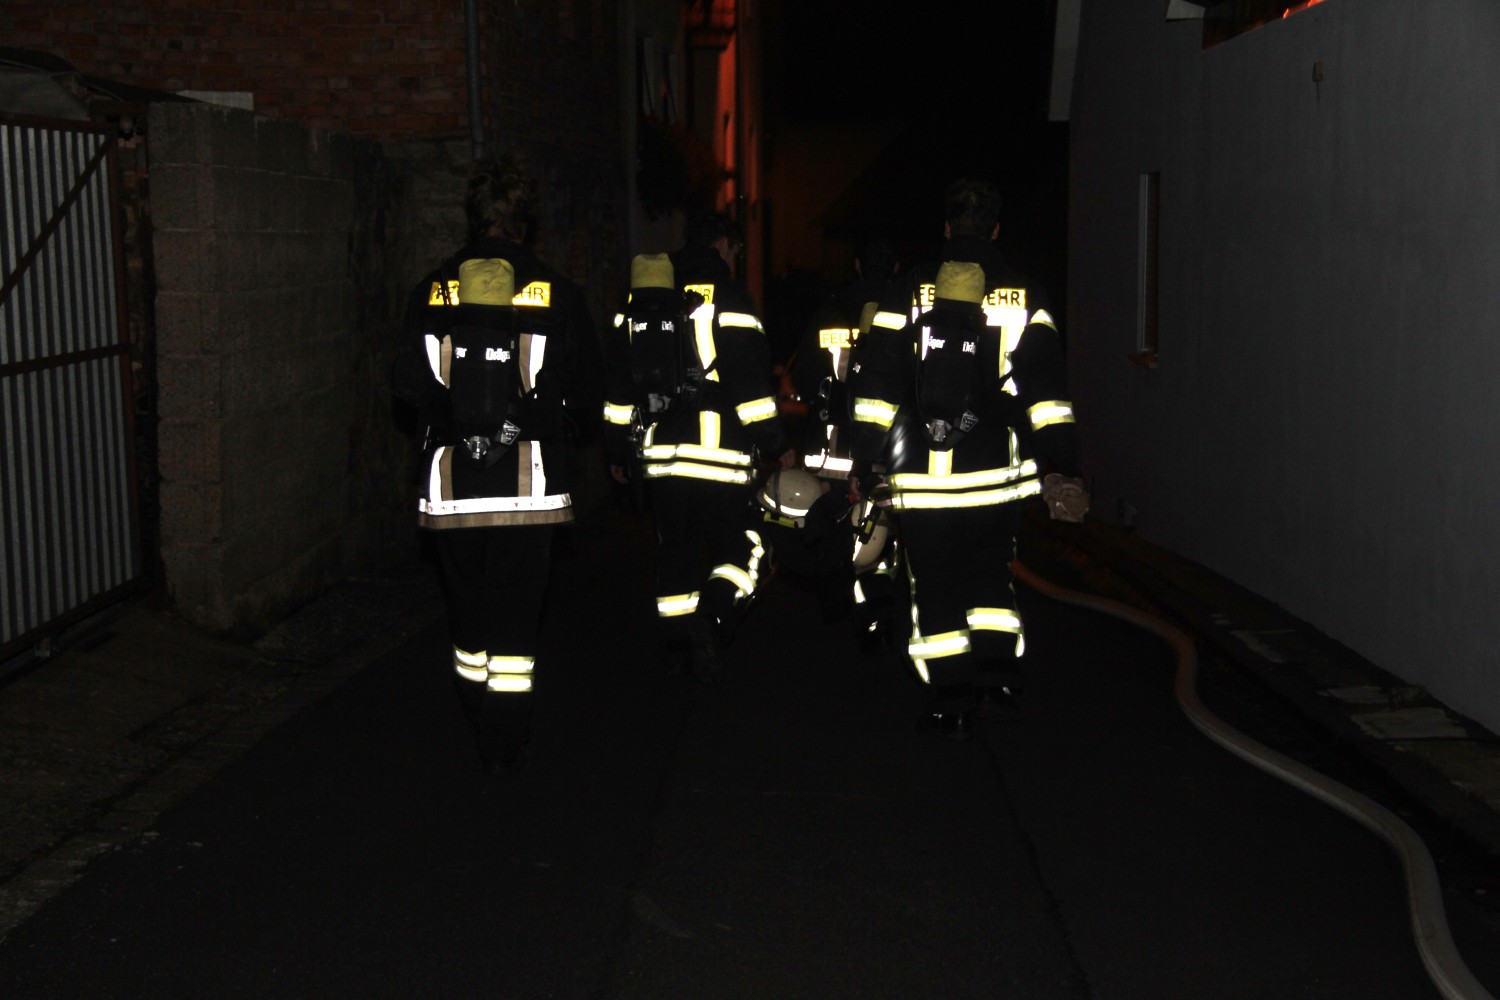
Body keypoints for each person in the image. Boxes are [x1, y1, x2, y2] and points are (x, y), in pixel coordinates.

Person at [848, 178, 1087, 738]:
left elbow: (876, 385)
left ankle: (950, 702)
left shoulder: (907, 291)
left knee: (933, 587)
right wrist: (1062, 463)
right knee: (990, 580)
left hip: (920, 480)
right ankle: (998, 685)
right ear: (996, 230)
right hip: (995, 478)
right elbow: (1047, 393)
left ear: (947, 227)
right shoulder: (1026, 296)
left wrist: (866, 460)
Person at [391, 154, 602, 770]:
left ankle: (473, 707)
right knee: (516, 618)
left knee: (468, 613)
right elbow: (587, 390)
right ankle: (504, 740)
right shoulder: (555, 291)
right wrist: (560, 426)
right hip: (530, 491)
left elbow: (405, 387)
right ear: (525, 222)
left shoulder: (432, 290)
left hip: (451, 488)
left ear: (473, 216)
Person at [602, 213, 786, 679]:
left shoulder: (642, 300)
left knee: (675, 552)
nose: (735, 259)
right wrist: (774, 443)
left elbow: (619, 382)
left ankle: (677, 646)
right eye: (735, 251)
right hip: (719, 456)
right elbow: (750, 384)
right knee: (745, 548)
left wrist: (616, 449)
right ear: (722, 245)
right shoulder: (731, 298)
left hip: (661, 456)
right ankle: (713, 616)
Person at [787, 237, 904, 642]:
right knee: (879, 529)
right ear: (896, 268)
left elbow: (803, 377)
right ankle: (874, 611)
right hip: (885, 450)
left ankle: (843, 592)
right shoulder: (904, 312)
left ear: (856, 264)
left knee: (838, 529)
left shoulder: (830, 312)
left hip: (831, 451)